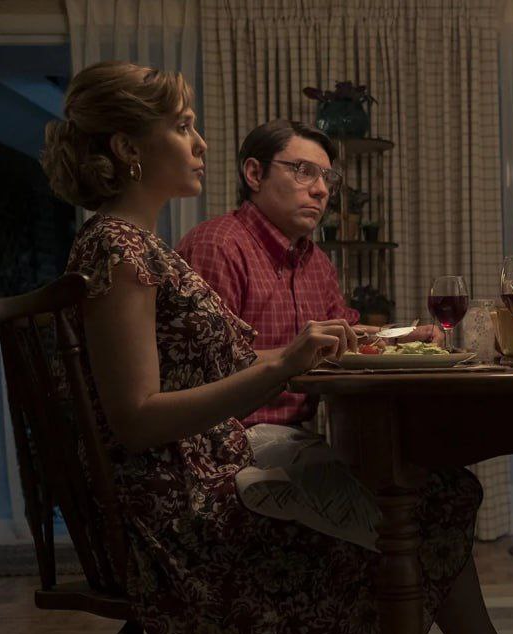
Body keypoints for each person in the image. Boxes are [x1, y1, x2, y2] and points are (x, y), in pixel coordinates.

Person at [39, 60, 513, 634]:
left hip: (207, 475)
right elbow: (135, 418)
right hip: (180, 514)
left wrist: (301, 355)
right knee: (420, 506)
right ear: (129, 148)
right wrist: (281, 369)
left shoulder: (136, 245)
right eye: (183, 126)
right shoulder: (118, 251)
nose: (200, 143)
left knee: (433, 492)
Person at [176, 119, 439, 429]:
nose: (321, 190)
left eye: (327, 178)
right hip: (229, 435)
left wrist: (404, 338)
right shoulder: (217, 246)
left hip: (294, 434)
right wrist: (292, 356)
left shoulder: (316, 261)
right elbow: (208, 366)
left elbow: (343, 337)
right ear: (255, 174)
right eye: (304, 171)